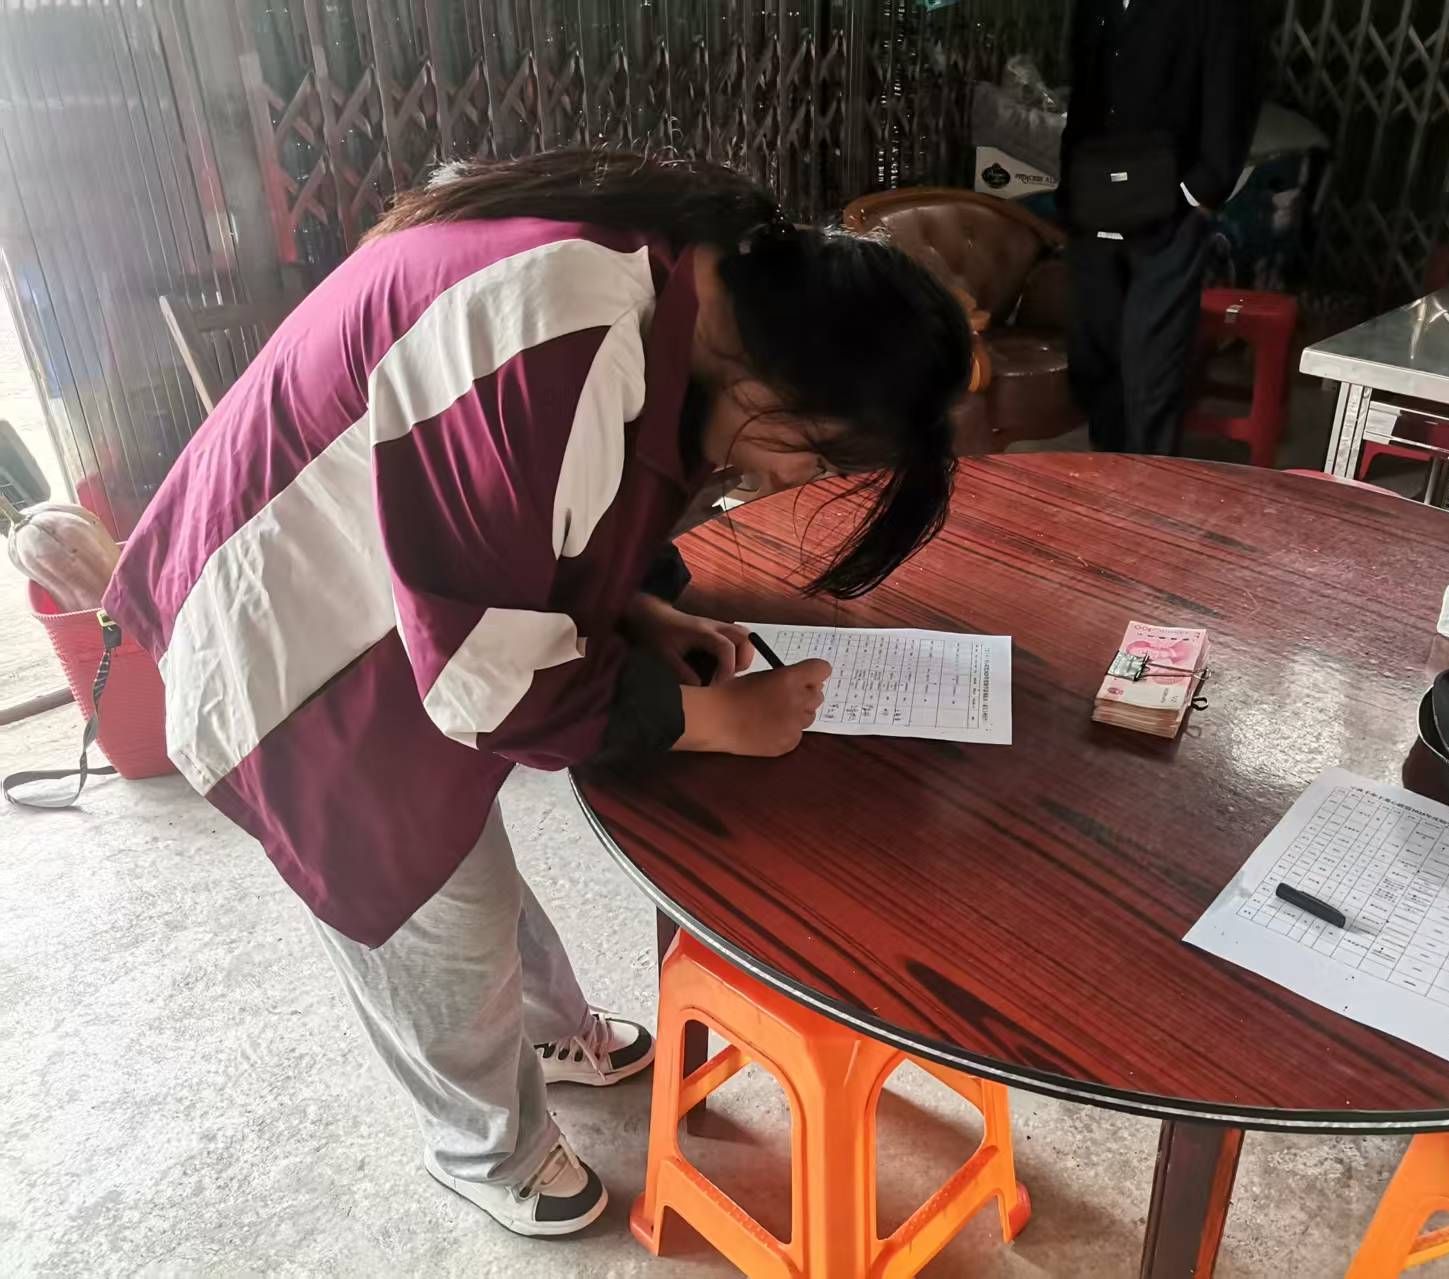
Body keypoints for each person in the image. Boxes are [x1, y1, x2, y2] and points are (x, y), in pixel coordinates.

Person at [104, 152, 970, 1238]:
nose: (792, 481)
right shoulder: (564, 326)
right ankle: (483, 1147)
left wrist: (639, 610)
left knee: (469, 855)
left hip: (398, 591)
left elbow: (538, 522)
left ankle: (553, 1035)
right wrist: (711, 720)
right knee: (426, 896)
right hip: (294, 628)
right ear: (779, 387)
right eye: (819, 457)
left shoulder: (675, 278)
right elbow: (493, 686)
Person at [1059, 0, 1262, 455]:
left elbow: (1234, 89)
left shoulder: (1212, 9)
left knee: (1151, 367)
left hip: (1170, 205)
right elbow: (1083, 95)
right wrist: (1070, 189)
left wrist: (1199, 191)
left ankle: (1147, 482)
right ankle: (1106, 470)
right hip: (1094, 197)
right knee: (1095, 356)